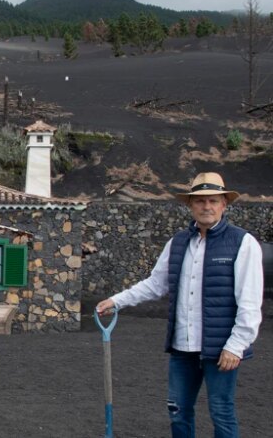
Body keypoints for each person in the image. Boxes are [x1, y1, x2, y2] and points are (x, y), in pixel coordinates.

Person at [96, 172, 263, 438]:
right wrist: (117, 301)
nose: (206, 206)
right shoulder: (177, 243)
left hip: (221, 350)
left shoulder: (243, 243)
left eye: (212, 200)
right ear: (190, 205)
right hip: (182, 349)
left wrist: (236, 346)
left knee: (221, 412)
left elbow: (251, 302)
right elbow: (155, 284)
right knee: (178, 411)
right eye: (200, 201)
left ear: (223, 204)